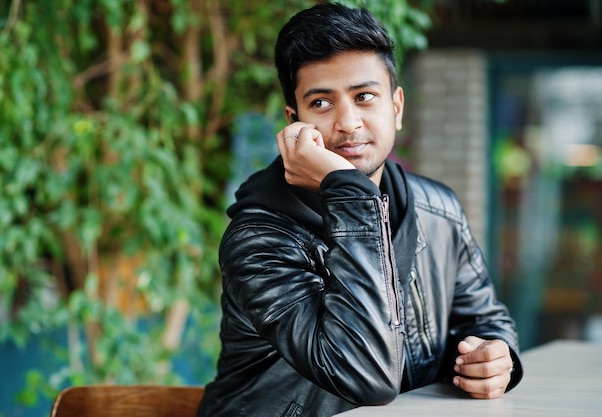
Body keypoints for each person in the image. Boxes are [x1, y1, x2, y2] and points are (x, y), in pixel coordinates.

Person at [196, 3, 523, 417]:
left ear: (397, 107)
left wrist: (498, 359)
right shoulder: (259, 240)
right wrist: (352, 194)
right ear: (293, 122)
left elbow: (484, 320)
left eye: (364, 96)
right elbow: (364, 376)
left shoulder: (437, 208)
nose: (348, 122)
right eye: (321, 103)